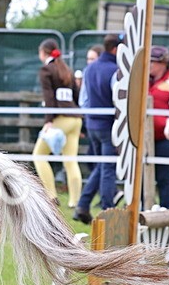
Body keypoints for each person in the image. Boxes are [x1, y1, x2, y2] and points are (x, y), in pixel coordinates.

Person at [72, 33, 120, 224]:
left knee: (101, 165)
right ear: (116, 49)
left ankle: (83, 205)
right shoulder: (116, 71)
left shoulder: (89, 69)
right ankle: (107, 211)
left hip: (92, 124)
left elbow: (83, 99)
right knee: (108, 167)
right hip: (108, 124)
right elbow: (119, 100)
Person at [32, 39, 82, 207]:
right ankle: (74, 201)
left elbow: (49, 97)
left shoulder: (46, 70)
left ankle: (51, 196)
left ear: (42, 53)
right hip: (76, 118)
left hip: (61, 118)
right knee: (70, 160)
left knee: (38, 155)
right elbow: (77, 95)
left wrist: (48, 121)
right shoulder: (66, 69)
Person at [148, 46, 169, 210]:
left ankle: (167, 215)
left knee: (164, 178)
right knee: (142, 179)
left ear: (163, 63)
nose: (149, 65)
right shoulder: (145, 80)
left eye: (152, 61)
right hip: (146, 138)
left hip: (166, 138)